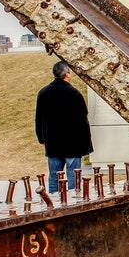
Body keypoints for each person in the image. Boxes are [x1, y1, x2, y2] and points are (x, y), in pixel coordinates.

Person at [35, 61, 93, 193]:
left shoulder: (43, 93)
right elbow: (82, 120)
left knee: (54, 177)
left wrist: (41, 138)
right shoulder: (74, 94)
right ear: (67, 74)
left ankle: (54, 202)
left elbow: (39, 118)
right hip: (72, 143)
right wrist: (87, 142)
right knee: (73, 176)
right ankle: (74, 202)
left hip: (53, 142)